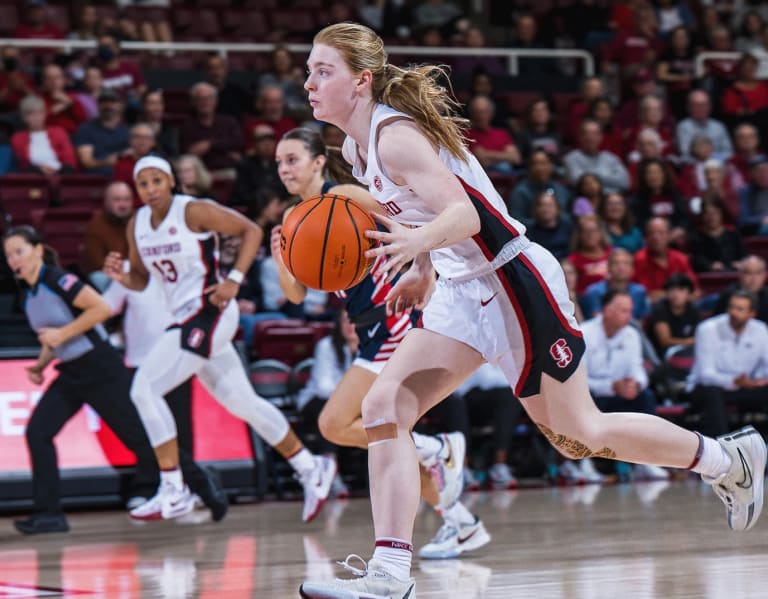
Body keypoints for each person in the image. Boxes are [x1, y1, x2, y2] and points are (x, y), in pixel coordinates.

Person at [298, 23, 766, 598]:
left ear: (361, 80)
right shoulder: (355, 146)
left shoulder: (394, 136)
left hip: (513, 282)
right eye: (309, 71)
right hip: (461, 288)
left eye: (324, 71)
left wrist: (417, 248)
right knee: (384, 404)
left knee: (580, 434)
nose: (309, 83)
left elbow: (466, 217)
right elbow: (424, 216)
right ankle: (390, 573)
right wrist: (422, 267)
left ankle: (727, 459)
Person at [271, 127, 488, 561]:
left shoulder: (347, 195)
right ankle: (461, 521)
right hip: (368, 327)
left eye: (292, 159)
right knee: (382, 432)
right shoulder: (296, 219)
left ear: (317, 161)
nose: (283, 169)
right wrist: (283, 257)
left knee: (336, 424)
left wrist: (420, 266)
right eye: (278, 163)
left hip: (394, 315)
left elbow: (414, 220)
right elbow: (295, 295)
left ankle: (439, 450)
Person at [102, 155, 336, 523]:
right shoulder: (138, 225)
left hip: (210, 311)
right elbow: (144, 280)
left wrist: (235, 280)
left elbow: (251, 231)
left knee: (143, 390)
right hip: (184, 318)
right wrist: (121, 276)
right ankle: (311, 467)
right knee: (244, 404)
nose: (149, 189)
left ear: (170, 181)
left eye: (156, 181)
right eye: (143, 183)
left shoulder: (192, 210)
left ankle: (174, 488)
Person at [2, 226, 159, 535]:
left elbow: (101, 309)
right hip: (72, 372)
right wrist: (40, 365)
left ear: (37, 249)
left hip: (100, 367)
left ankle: (197, 480)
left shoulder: (58, 279)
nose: (13, 260)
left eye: (18, 251)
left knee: (137, 437)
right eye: (7, 255)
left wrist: (61, 335)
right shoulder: (29, 295)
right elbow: (54, 337)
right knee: (38, 432)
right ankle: (49, 514)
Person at [102, 270, 228, 521]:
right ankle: (148, 485)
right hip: (139, 361)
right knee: (148, 428)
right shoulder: (129, 269)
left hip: (178, 359)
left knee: (180, 426)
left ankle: (188, 488)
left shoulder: (186, 263)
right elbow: (105, 306)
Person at [581, 290, 668, 481]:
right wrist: (611, 386)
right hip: (594, 394)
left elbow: (637, 368)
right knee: (581, 401)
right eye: (623, 310)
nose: (628, 316)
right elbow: (578, 379)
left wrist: (635, 384)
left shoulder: (631, 334)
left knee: (646, 397)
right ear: (607, 310)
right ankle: (584, 462)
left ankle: (647, 462)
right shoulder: (584, 333)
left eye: (630, 311)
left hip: (622, 393)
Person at [689, 291, 768, 437]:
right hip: (707, 388)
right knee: (712, 393)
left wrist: (759, 380)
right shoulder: (708, 329)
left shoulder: (760, 330)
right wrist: (733, 381)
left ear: (752, 314)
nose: (733, 312)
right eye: (731, 307)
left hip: (744, 387)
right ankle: (720, 447)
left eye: (740, 309)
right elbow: (705, 375)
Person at [82, 182, 134, 291]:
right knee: (99, 278)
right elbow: (96, 263)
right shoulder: (96, 226)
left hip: (135, 273)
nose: (123, 205)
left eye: (126, 200)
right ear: (106, 202)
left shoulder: (140, 222)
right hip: (108, 275)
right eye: (117, 200)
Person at [633, 217, 698, 302]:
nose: (655, 237)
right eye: (651, 233)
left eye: (661, 233)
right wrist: (672, 294)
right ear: (646, 238)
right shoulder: (638, 260)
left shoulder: (680, 259)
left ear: (669, 236)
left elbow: (696, 291)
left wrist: (681, 297)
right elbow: (638, 296)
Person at [11, 95, 76, 175]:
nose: (37, 118)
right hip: (34, 177)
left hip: (61, 174)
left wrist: (55, 170)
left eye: (40, 113)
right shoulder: (18, 138)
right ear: (24, 118)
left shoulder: (59, 132)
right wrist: (40, 169)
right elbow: (22, 165)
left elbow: (70, 160)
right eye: (32, 114)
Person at [580, 248, 649, 320]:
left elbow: (642, 320)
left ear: (632, 269)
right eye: (616, 263)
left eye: (626, 263)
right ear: (608, 268)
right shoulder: (593, 291)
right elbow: (595, 319)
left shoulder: (639, 291)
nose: (621, 267)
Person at [74, 89, 130, 176]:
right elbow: (86, 162)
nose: (108, 105)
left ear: (120, 105)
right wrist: (106, 162)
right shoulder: (86, 129)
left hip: (123, 177)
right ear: (98, 105)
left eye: (112, 102)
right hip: (96, 179)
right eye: (103, 102)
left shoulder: (127, 131)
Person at [645, 273, 700, 357]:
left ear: (689, 294)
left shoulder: (694, 311)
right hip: (663, 356)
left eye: (681, 290)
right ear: (666, 293)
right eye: (671, 290)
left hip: (689, 352)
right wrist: (688, 342)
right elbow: (665, 341)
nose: (676, 294)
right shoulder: (660, 310)